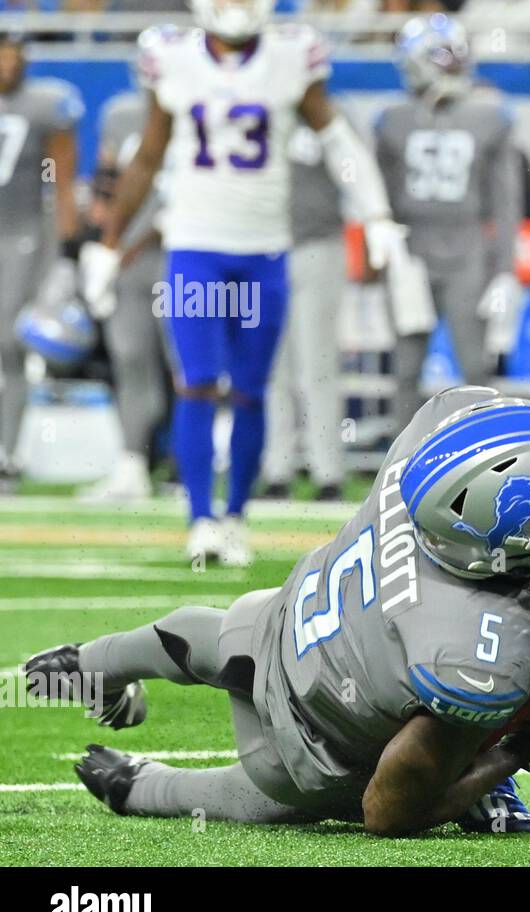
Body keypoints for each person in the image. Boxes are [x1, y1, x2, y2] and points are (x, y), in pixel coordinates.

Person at [25, 388, 530, 835]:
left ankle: (84, 664)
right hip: (306, 757)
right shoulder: (479, 653)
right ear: (501, 548)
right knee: (256, 793)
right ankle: (139, 788)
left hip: (270, 631)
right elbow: (387, 812)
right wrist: (524, 746)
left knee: (197, 634)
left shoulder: (435, 432)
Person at [79, 1, 408, 566]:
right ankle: (200, 518)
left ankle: (235, 517)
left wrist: (374, 212)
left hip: (263, 251)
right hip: (195, 247)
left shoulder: (290, 56)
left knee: (251, 389)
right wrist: (110, 245)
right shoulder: (174, 57)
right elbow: (150, 156)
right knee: (198, 381)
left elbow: (337, 143)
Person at [375, 13, 523, 422]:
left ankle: (487, 455)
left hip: (468, 247)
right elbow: (380, 200)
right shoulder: (393, 118)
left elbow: (506, 201)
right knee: (406, 367)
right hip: (411, 250)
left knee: (475, 366)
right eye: (444, 56)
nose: (454, 63)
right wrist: (384, 255)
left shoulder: (490, 115)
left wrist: (506, 268)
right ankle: (399, 463)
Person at [77, 84, 170, 502]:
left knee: (186, 369)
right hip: (127, 261)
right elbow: (106, 181)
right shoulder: (119, 115)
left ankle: (184, 470)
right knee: (130, 359)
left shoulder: (196, 111)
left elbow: (183, 202)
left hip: (179, 261)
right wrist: (99, 245)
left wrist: (123, 248)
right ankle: (133, 465)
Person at [0, 32, 83, 489]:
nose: (8, 65)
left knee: (9, 346)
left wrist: (68, 249)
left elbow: (62, 183)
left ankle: (7, 452)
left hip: (20, 236)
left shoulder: (46, 105)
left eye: (15, 56)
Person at [261, 121, 348, 501]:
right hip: (264, 247)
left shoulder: (329, 116)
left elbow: (354, 172)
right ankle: (275, 470)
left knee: (317, 364)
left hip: (318, 243)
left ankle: (327, 471)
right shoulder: (258, 106)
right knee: (270, 367)